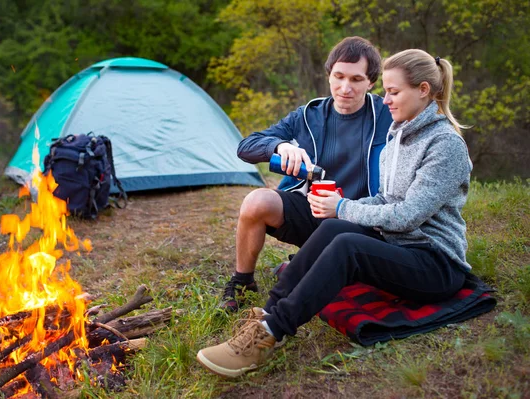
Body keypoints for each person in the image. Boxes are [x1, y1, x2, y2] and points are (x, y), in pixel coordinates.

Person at [197, 49, 472, 378]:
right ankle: (265, 314)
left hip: (436, 263)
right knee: (332, 231)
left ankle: (271, 334)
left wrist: (342, 207)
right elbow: (386, 198)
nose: (386, 100)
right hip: (399, 245)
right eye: (386, 92)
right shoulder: (400, 135)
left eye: (393, 92)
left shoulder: (445, 144)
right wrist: (334, 210)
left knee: (347, 246)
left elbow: (408, 215)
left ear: (423, 90)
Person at [220, 36, 393, 311]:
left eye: (356, 80)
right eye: (338, 76)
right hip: (313, 211)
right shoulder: (308, 115)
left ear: (371, 82)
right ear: (328, 75)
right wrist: (279, 144)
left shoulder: (387, 115)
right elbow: (246, 147)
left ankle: (303, 266)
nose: (345, 88)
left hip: (362, 219)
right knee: (256, 202)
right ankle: (242, 282)